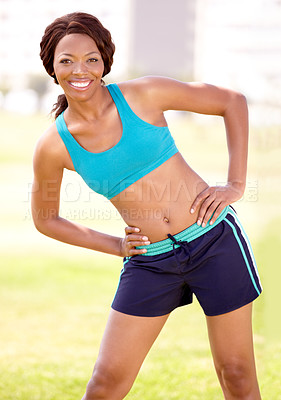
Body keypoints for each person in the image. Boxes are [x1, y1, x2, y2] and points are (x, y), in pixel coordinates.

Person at [32, 11, 262, 400]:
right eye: (66, 61)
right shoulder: (54, 145)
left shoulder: (144, 94)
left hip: (213, 240)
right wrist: (116, 246)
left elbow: (231, 102)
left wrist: (235, 184)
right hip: (150, 262)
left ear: (105, 60)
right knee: (104, 385)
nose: (80, 69)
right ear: (52, 68)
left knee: (237, 375)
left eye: (91, 58)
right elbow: (46, 218)